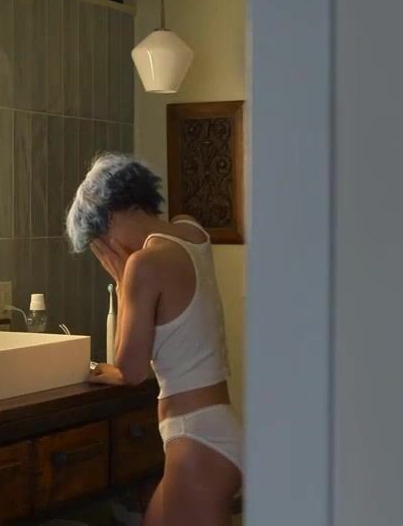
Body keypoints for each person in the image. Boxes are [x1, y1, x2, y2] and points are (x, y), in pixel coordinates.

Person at [66, 153, 241, 526]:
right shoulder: (192, 231)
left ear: (110, 219)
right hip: (215, 430)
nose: (108, 250)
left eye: (101, 242)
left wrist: (122, 282)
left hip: (195, 444)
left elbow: (130, 370)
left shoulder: (143, 265)